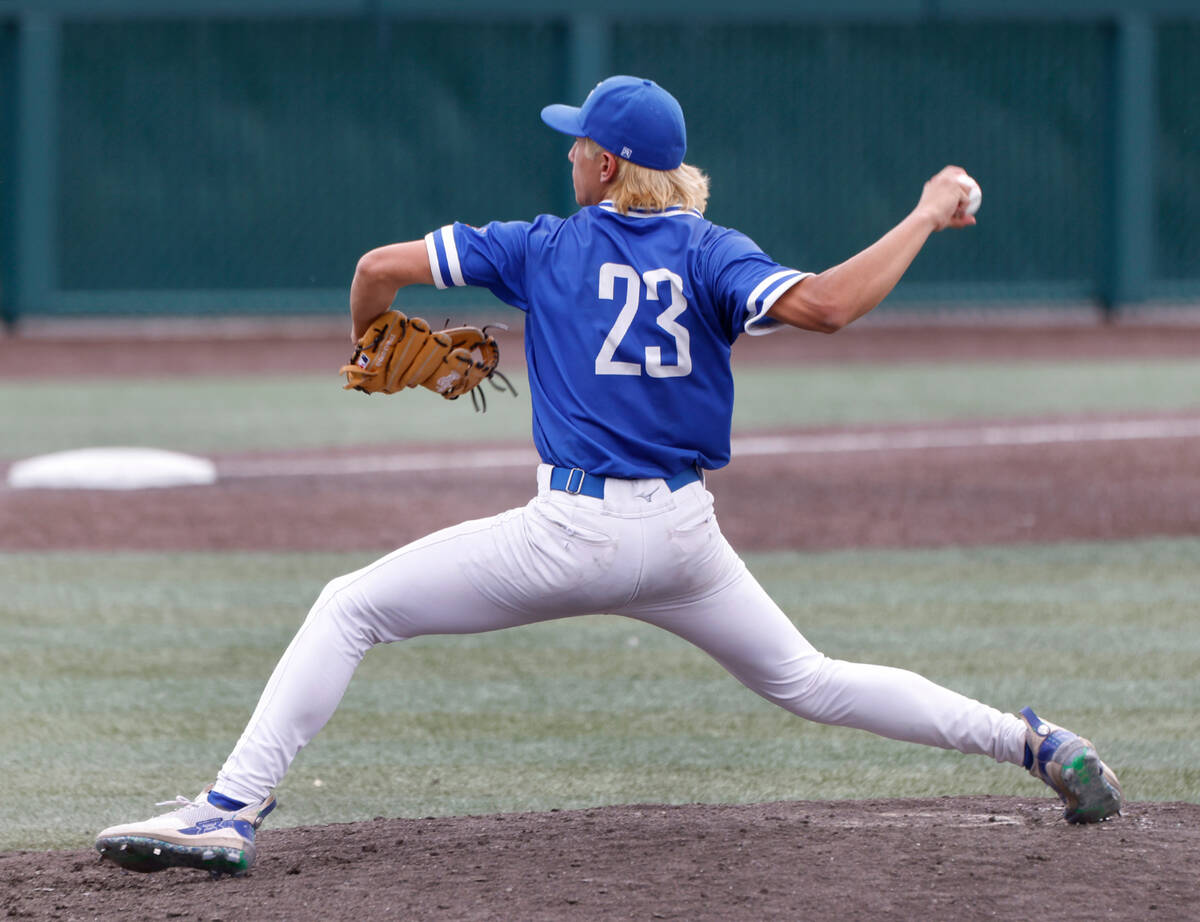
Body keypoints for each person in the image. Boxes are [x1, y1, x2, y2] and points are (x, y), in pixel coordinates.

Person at [95, 75, 1122, 876]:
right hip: (683, 540)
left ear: (608, 164)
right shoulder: (715, 251)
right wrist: (926, 211)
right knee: (812, 680)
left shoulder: (542, 246)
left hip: (572, 535)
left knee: (350, 607)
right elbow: (825, 307)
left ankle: (227, 812)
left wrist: (376, 346)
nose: (572, 150)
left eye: (581, 139)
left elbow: (375, 267)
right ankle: (1033, 743)